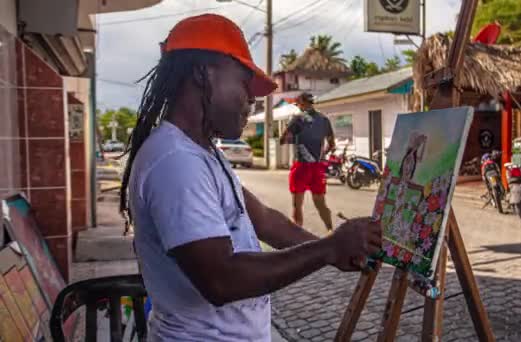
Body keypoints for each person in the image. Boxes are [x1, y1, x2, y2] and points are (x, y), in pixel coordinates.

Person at [119, 14, 381, 341]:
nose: (252, 100)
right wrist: (328, 249)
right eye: (245, 83)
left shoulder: (203, 153)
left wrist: (336, 250)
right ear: (202, 73)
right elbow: (221, 280)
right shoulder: (175, 162)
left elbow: (266, 220)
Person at [280, 92, 336, 231]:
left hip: (301, 166)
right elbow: (331, 144)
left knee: (297, 204)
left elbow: (283, 139)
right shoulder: (324, 119)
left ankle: (297, 236)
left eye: (298, 104)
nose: (298, 107)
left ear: (303, 103)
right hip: (317, 167)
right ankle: (330, 231)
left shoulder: (297, 119)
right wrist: (321, 155)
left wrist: (292, 137)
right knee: (320, 203)